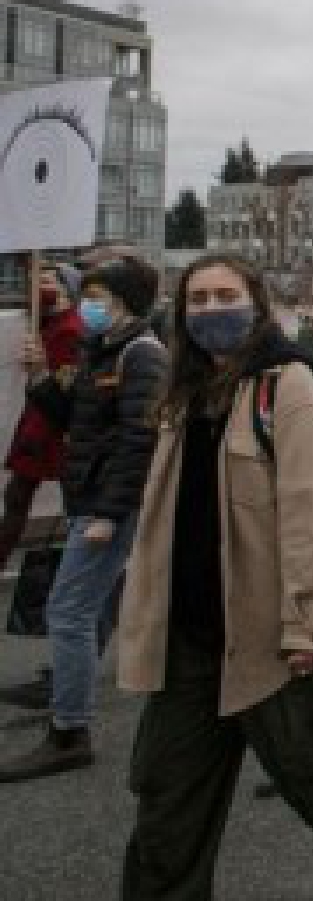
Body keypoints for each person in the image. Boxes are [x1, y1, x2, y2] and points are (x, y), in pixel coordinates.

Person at [117, 255, 313, 901]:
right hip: (189, 639)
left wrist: (307, 623)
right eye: (197, 299)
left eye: (225, 295)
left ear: (254, 303)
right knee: (167, 791)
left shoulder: (290, 389)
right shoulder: (183, 393)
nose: (211, 310)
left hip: (271, 630)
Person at [0, 258, 165, 779]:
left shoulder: (142, 355)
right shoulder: (104, 349)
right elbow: (77, 415)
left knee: (67, 610)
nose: (89, 305)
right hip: (90, 497)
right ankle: (69, 703)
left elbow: (139, 442)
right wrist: (42, 374)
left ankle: (70, 728)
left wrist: (110, 513)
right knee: (82, 609)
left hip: (104, 505)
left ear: (127, 303)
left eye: (101, 297)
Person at [0, 264, 84, 578]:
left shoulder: (70, 329)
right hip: (39, 421)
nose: (37, 285)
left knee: (68, 500)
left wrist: (41, 369)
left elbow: (66, 385)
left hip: (53, 425)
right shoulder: (48, 324)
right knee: (18, 495)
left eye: (46, 280)